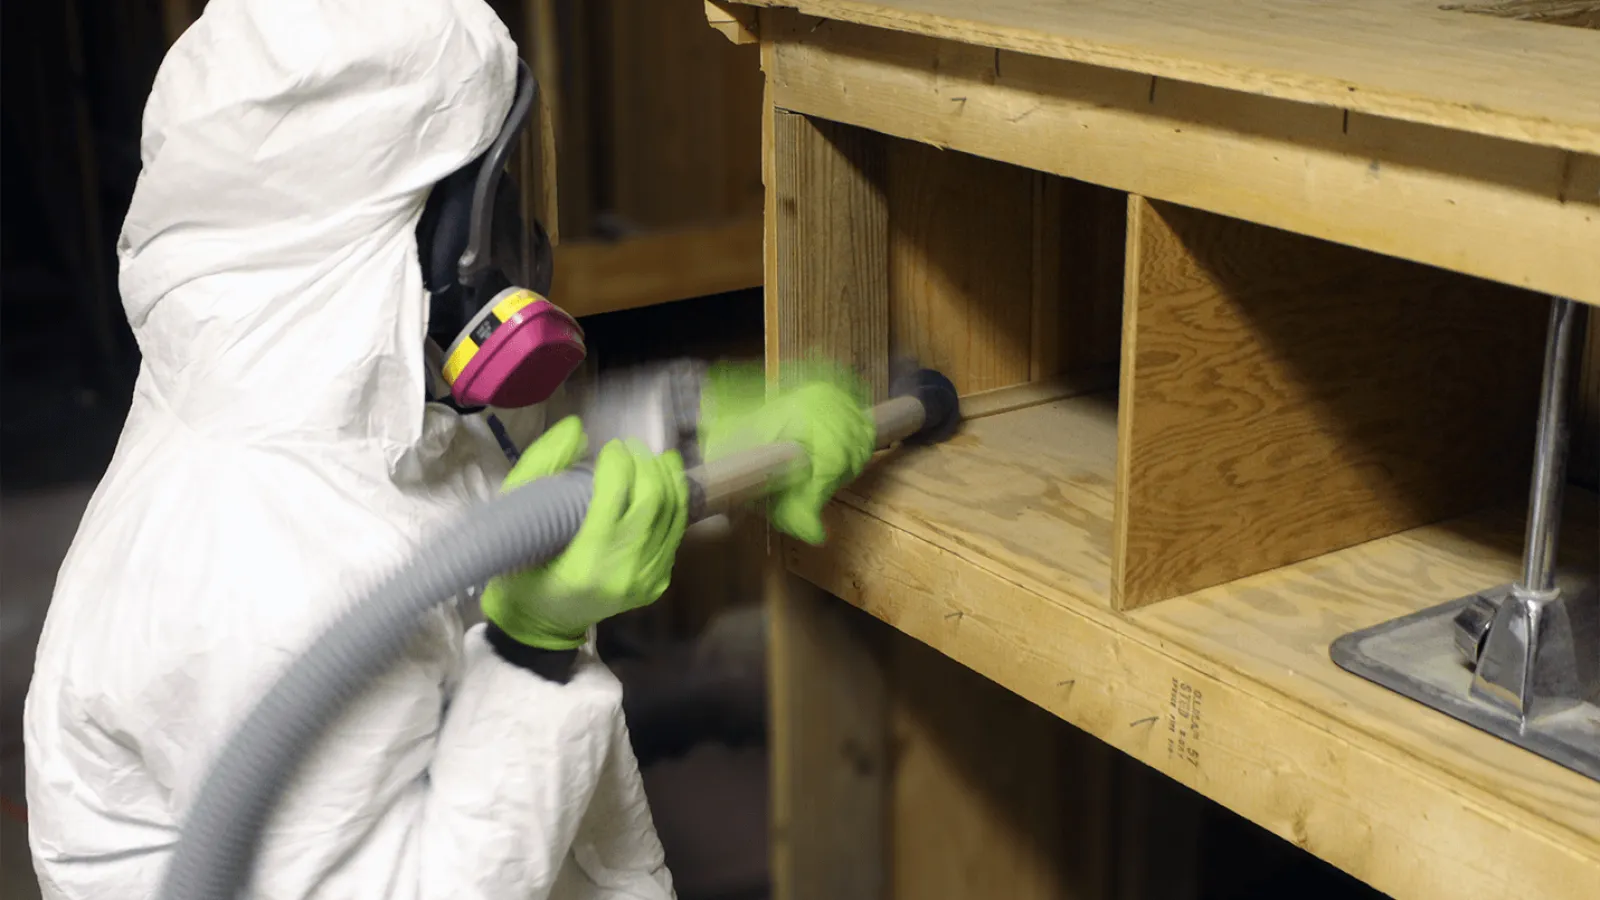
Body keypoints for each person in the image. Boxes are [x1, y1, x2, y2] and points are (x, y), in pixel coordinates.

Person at [21, 1, 875, 898]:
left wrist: (695, 424)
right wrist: (532, 654)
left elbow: (460, 477)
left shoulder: (318, 412)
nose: (522, 248)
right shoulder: (251, 583)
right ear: (417, 248)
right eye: (498, 204)